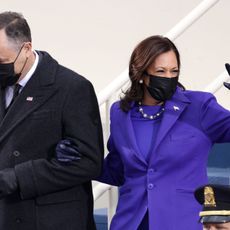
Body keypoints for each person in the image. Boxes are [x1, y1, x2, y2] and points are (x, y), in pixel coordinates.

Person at [57, 35, 230, 230]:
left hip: (181, 222)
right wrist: (80, 159)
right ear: (140, 74)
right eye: (160, 71)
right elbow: (117, 172)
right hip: (131, 223)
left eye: (174, 71)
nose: (168, 78)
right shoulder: (120, 113)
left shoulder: (200, 107)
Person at [0, 11, 104, 230]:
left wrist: (18, 177)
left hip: (50, 220)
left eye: (2, 61)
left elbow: (89, 162)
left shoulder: (72, 88)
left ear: (26, 49)